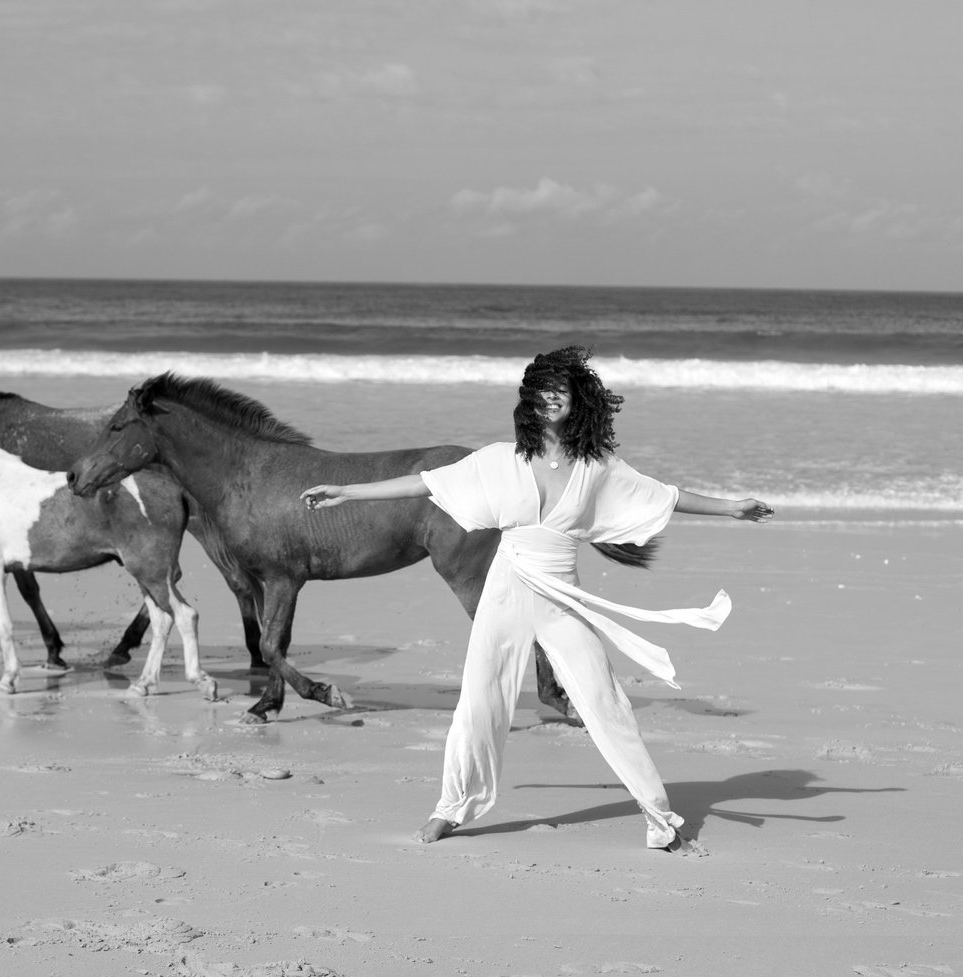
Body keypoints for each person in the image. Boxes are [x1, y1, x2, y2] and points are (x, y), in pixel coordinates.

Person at [301, 346, 772, 849]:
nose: (550, 399)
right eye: (542, 391)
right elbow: (424, 484)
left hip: (560, 598)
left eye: (561, 391)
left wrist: (733, 508)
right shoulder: (500, 458)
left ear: (578, 401)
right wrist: (347, 492)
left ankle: (659, 816)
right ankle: (452, 808)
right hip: (505, 590)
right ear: (529, 400)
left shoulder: (598, 467)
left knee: (604, 701)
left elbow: (666, 495)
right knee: (479, 703)